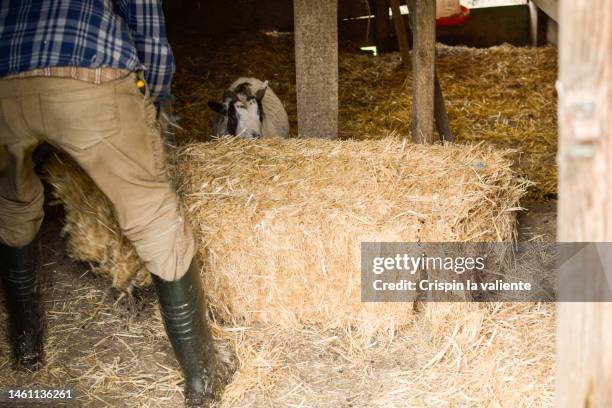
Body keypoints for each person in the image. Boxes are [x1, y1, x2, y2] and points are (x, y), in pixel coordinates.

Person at [0, 1, 231, 406]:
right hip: (88, 76)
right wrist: (153, 106)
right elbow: (149, 34)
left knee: (13, 206)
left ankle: (27, 348)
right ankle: (203, 373)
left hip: (4, 86)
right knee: (153, 214)